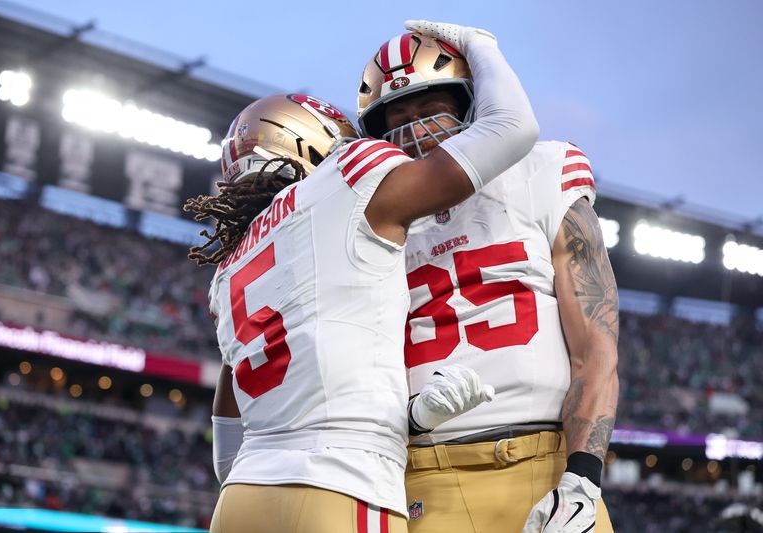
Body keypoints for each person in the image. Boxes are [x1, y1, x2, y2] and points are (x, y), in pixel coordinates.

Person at [185, 21, 540, 533]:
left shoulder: (230, 266)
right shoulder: (349, 175)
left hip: (242, 498)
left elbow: (227, 446)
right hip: (341, 484)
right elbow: (512, 127)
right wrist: (480, 48)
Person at [357, 20, 619, 533]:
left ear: (472, 106)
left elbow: (597, 344)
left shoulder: (543, 171)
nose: (415, 132)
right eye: (398, 120)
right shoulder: (374, 216)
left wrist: (582, 479)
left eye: (431, 110)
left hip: (545, 466)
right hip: (423, 476)